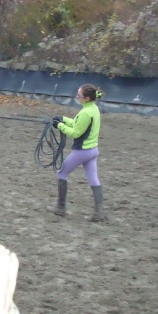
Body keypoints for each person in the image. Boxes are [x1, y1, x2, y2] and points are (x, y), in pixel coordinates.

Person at [49, 84, 106, 222]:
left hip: (83, 151)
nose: (77, 97)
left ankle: (60, 208)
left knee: (62, 173)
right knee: (93, 179)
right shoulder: (93, 108)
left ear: (86, 98)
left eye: (79, 96)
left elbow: (76, 132)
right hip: (93, 150)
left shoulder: (86, 112)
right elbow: (76, 123)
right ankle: (99, 213)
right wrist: (63, 119)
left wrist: (60, 126)